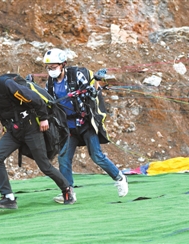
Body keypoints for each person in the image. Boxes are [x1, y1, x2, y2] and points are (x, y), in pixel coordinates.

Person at [0, 60, 76, 209]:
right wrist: (5, 126)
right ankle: (8, 197)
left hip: (30, 128)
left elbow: (36, 100)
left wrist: (43, 119)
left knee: (44, 165)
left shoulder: (5, 85)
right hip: (14, 130)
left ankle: (67, 190)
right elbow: (0, 112)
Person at [42, 48, 128, 203]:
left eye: (53, 67)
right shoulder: (50, 83)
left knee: (96, 156)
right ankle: (68, 192)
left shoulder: (76, 76)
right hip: (68, 127)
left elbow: (93, 88)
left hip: (85, 123)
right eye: (48, 68)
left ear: (63, 64)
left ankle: (120, 177)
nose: (51, 71)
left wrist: (92, 91)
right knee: (63, 158)